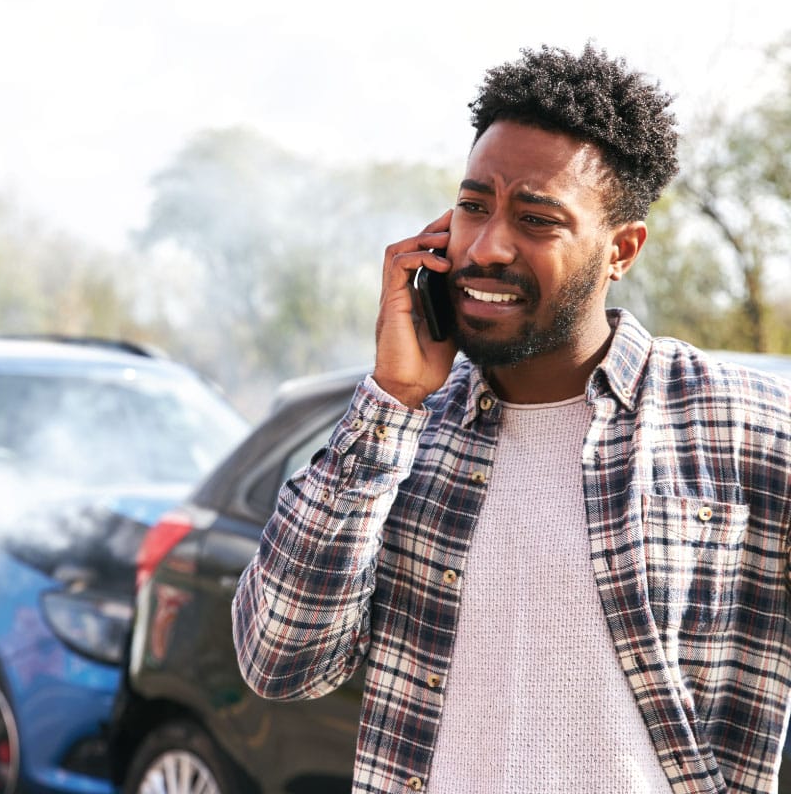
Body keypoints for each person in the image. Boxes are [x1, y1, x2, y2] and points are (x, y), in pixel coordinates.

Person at [232, 43, 791, 794]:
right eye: (473, 206)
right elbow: (278, 662)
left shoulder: (748, 431)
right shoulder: (400, 432)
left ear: (621, 250)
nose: (486, 246)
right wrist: (393, 401)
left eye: (535, 218)